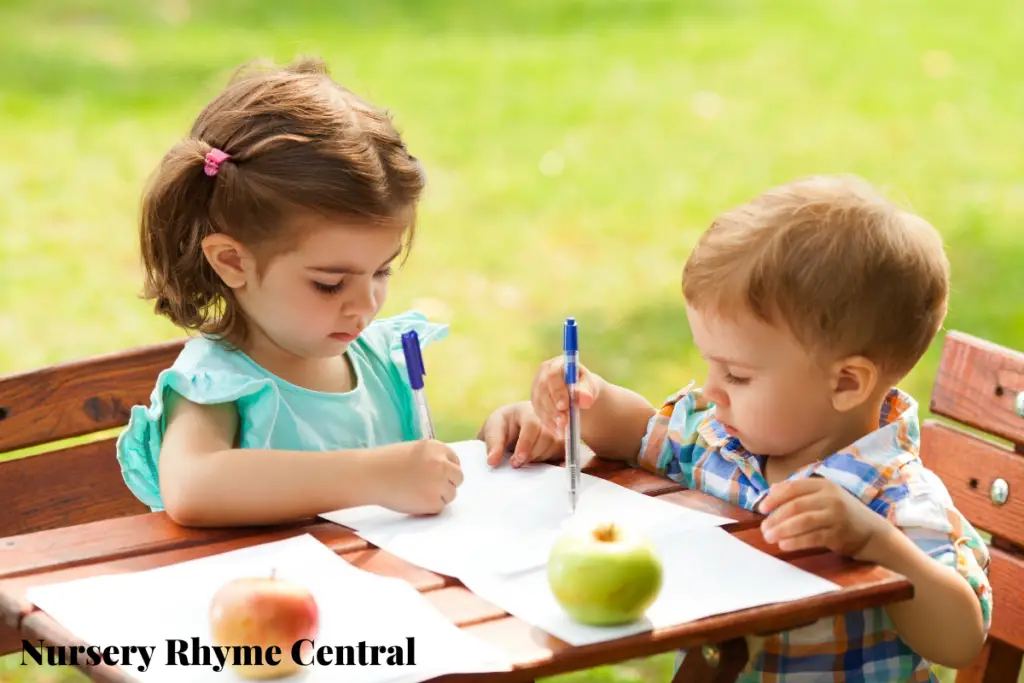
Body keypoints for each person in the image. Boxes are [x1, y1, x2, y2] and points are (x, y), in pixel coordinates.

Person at [523, 175, 992, 680]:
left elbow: (959, 640)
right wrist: (587, 399)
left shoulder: (896, 497)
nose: (711, 391)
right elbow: (637, 434)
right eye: (711, 366)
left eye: (737, 375)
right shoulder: (721, 440)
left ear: (847, 383)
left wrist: (873, 541)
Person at [116, 56, 478, 528]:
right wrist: (370, 476)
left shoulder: (381, 362)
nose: (365, 305)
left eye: (381, 272)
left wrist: (509, 438)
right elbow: (192, 486)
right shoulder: (218, 382)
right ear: (231, 261)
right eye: (329, 284)